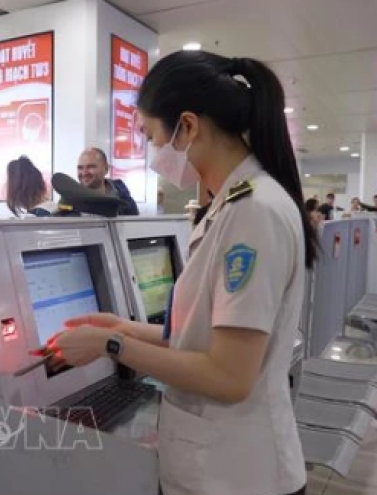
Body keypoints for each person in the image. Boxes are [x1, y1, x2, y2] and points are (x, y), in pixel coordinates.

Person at [45, 51, 315, 495]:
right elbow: (200, 336)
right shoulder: (230, 206)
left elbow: (229, 376)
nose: (153, 154)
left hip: (240, 475)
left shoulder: (254, 213)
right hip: (216, 467)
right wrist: (122, 329)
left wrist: (110, 345)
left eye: (152, 137)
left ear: (188, 127)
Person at [76, 147, 139, 215]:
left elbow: (135, 224)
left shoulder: (124, 200)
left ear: (106, 169)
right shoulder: (70, 199)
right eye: (80, 168)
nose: (84, 173)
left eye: (91, 167)